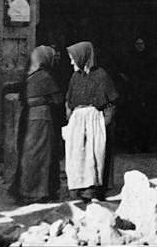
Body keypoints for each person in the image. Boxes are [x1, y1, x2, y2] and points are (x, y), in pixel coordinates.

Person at [64, 41, 119, 200]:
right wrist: (71, 121)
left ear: (83, 57)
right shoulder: (75, 76)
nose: (71, 62)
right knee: (77, 155)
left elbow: (111, 102)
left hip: (95, 123)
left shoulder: (101, 75)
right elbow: (69, 100)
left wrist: (103, 123)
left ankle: (93, 189)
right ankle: (78, 189)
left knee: (94, 156)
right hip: (78, 124)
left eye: (73, 58)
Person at [10, 45, 63, 204]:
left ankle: (25, 190)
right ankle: (38, 192)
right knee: (41, 155)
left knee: (29, 155)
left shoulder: (29, 75)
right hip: (41, 120)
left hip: (28, 118)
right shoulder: (45, 77)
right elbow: (58, 99)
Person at [118, 36, 155, 153]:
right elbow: (123, 73)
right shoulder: (129, 59)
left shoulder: (148, 59)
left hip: (145, 92)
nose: (140, 46)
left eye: (142, 44)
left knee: (146, 120)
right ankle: (133, 145)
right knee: (133, 120)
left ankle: (145, 145)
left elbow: (151, 75)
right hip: (133, 92)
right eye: (138, 44)